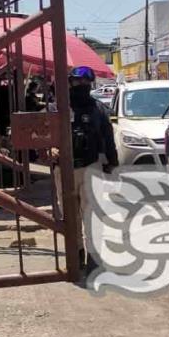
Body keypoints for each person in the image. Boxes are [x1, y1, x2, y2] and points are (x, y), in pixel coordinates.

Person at [57, 66, 118, 272]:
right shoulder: (57, 108)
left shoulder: (98, 108)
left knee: (91, 214)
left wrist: (112, 162)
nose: (81, 86)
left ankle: (93, 256)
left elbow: (108, 138)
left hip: (91, 167)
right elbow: (42, 135)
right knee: (69, 216)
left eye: (85, 83)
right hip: (63, 170)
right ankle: (76, 254)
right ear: (70, 83)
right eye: (77, 82)